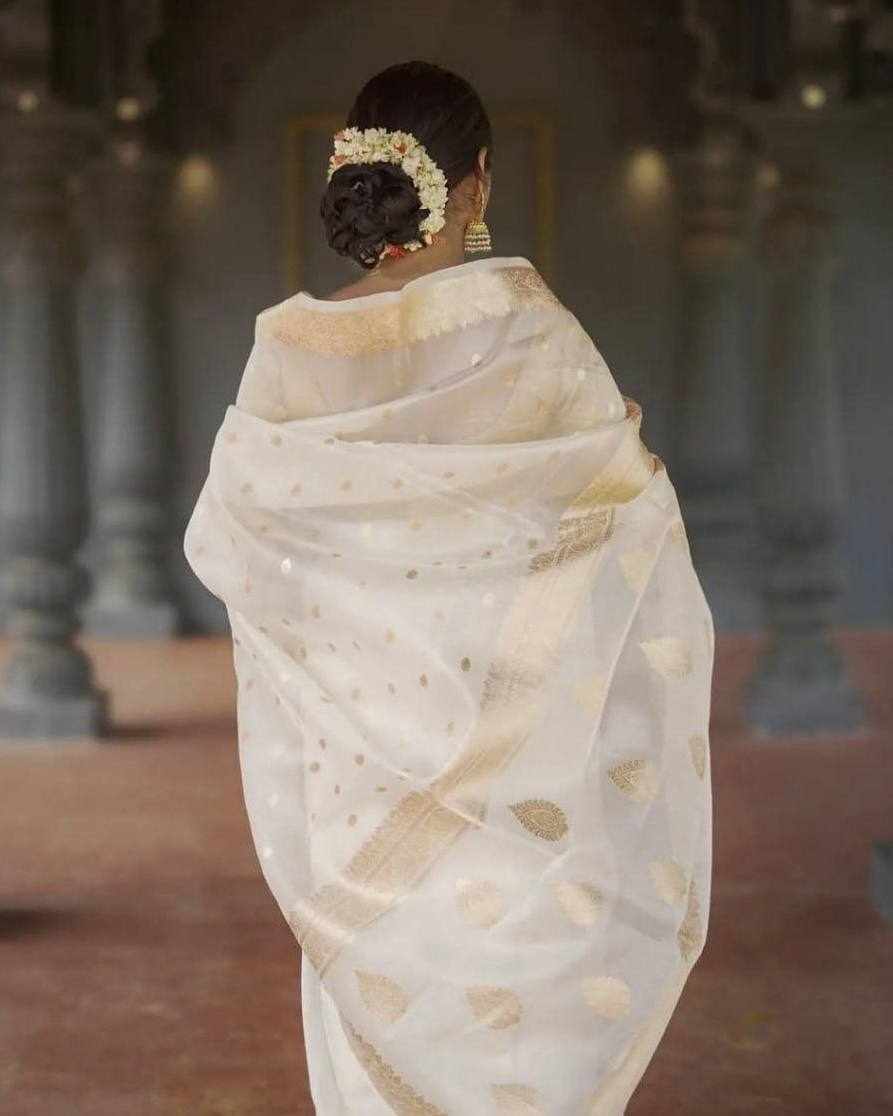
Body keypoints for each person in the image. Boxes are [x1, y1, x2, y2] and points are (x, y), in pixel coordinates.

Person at [185, 59, 714, 1116]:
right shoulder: (527, 328)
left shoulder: (288, 349)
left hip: (353, 759)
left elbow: (236, 541)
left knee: (376, 973)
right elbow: (619, 517)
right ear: (476, 181)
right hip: (512, 748)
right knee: (520, 1011)